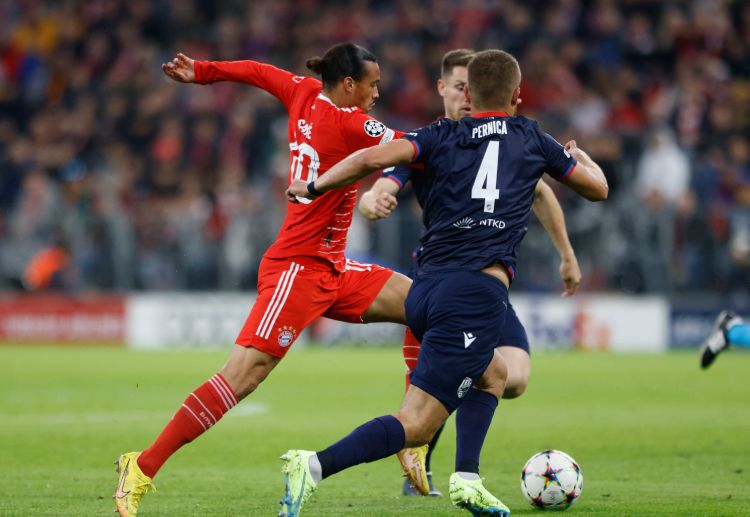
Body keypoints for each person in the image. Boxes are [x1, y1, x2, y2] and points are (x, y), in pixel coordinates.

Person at [283, 49, 607, 517]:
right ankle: (311, 466)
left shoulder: (438, 134)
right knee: (415, 425)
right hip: (472, 294)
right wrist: (583, 158)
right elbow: (597, 189)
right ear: (518, 95)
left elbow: (372, 157)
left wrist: (313, 187)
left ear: (469, 95)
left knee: (493, 374)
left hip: (425, 289)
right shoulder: (533, 138)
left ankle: (467, 479)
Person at [113, 43, 417, 517]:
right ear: (350, 85)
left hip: (335, 268)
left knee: (424, 305)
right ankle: (142, 466)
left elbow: (256, 70)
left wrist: (204, 72)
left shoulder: (301, 91)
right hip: (298, 268)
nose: (379, 92)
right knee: (242, 378)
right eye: (374, 84)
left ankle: (412, 434)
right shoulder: (353, 121)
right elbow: (411, 148)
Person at [358, 49, 582, 497]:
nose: (467, 96)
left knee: (511, 378)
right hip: (443, 279)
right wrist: (372, 198)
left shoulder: (505, 140)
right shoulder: (432, 139)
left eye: (471, 88)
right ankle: (432, 458)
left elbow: (540, 191)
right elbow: (388, 175)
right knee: (440, 374)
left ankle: (420, 445)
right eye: (459, 87)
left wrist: (566, 254)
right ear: (444, 89)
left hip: (485, 284)